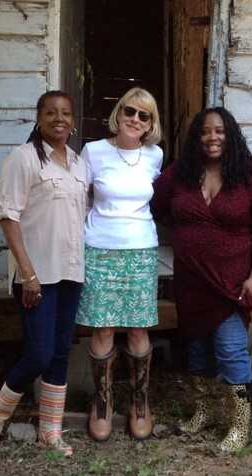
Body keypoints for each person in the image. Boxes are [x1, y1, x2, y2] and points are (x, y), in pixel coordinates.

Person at [151, 107, 252, 452]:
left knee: (230, 348)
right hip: (191, 279)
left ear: (230, 134)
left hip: (232, 281)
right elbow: (156, 206)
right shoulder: (180, 173)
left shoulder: (249, 176)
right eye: (205, 131)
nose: (212, 137)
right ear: (197, 137)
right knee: (196, 348)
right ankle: (203, 413)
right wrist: (183, 237)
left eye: (219, 131)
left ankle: (239, 426)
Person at [0, 90, 87, 459]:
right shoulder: (23, 159)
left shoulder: (77, 163)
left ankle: (49, 432)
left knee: (58, 354)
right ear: (38, 118)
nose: (59, 119)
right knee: (38, 354)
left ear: (73, 121)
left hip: (70, 271)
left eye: (66, 113)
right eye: (51, 113)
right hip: (37, 274)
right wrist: (28, 273)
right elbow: (8, 216)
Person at [76, 87, 163, 441]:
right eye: (130, 111)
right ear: (119, 112)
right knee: (103, 329)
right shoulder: (93, 152)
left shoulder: (155, 156)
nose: (135, 120)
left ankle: (140, 403)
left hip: (140, 249)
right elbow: (79, 200)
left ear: (150, 124)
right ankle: (103, 403)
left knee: (140, 329)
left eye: (144, 116)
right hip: (100, 248)